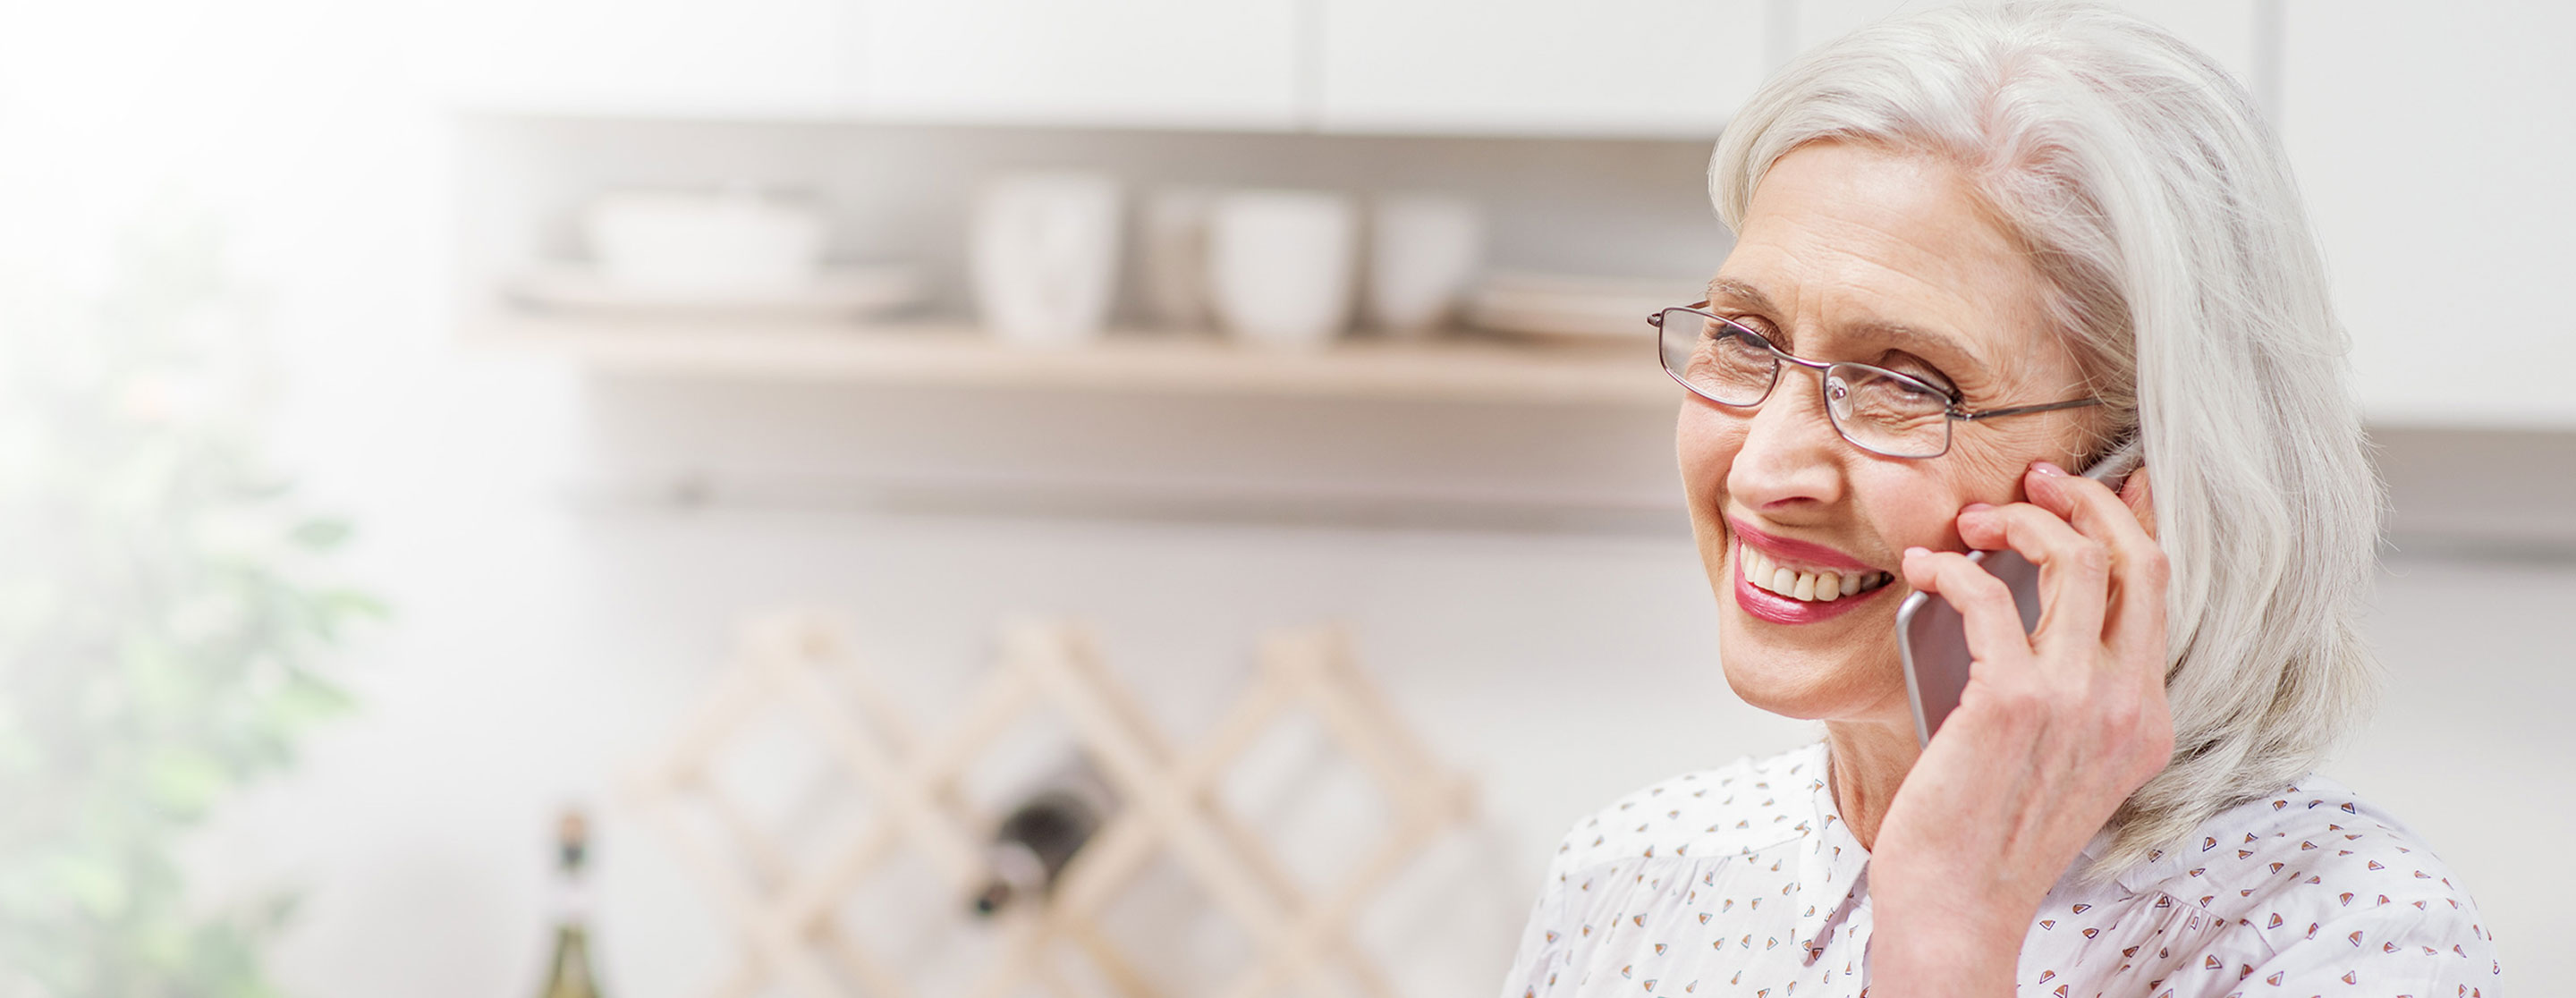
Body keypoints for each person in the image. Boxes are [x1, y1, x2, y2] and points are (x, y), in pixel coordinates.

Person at [1496, 3, 2501, 995]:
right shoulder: (1626, 876)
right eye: (1744, 340)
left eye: (1904, 383)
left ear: (2137, 489)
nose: (1763, 472)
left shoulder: (2351, 934)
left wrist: (1949, 929)